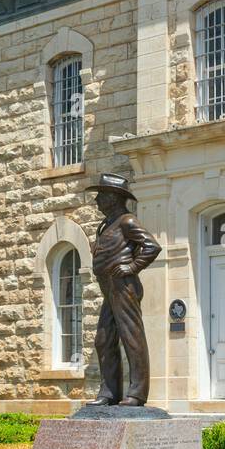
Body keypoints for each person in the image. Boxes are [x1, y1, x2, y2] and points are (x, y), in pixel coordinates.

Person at [83, 173, 161, 407]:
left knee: (131, 337)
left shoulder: (127, 221)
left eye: (102, 194)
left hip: (123, 288)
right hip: (109, 288)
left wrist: (132, 266)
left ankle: (137, 393)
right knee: (103, 340)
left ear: (114, 198)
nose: (97, 199)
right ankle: (109, 392)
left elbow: (151, 246)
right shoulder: (106, 225)